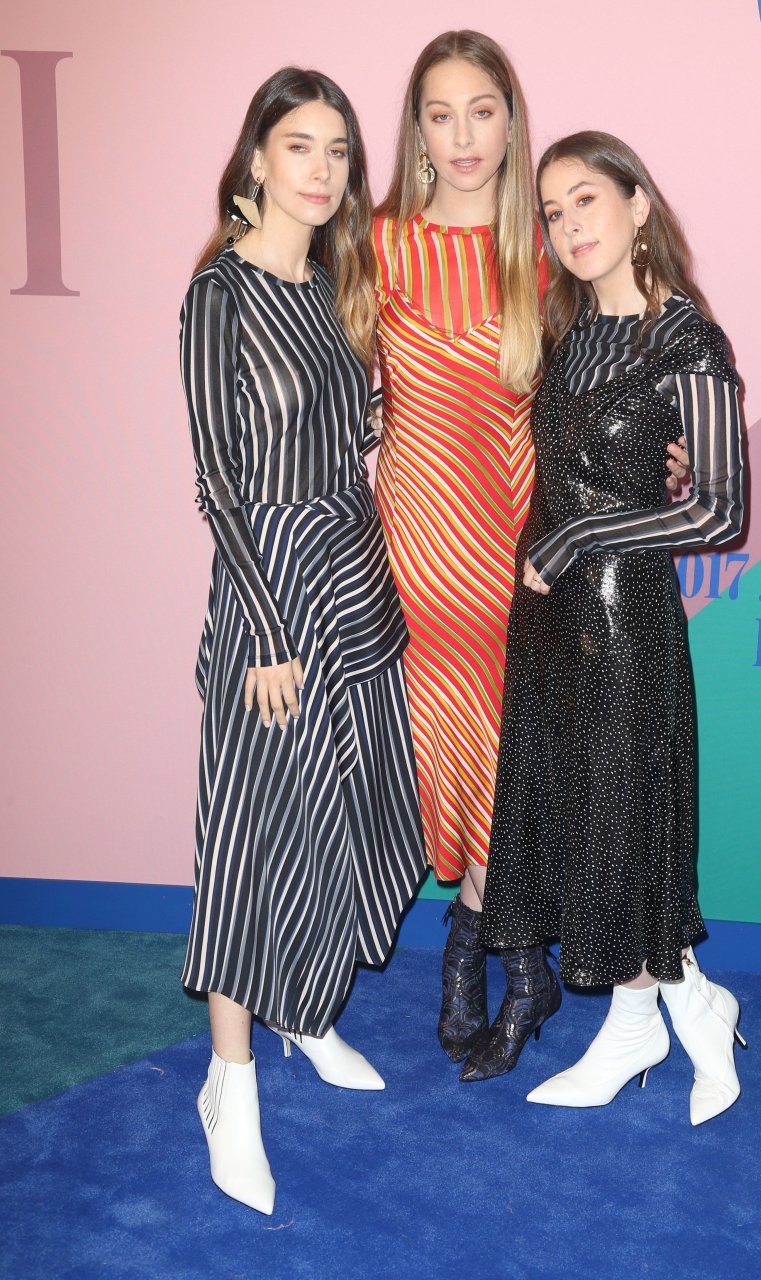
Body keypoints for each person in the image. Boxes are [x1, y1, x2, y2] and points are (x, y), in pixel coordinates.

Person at [372, 33, 690, 1069]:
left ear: (512, 122)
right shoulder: (375, 246)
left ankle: (496, 962)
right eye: (440, 114)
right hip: (418, 550)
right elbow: (329, 386)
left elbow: (619, 383)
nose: (463, 135)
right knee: (453, 756)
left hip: (527, 550)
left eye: (482, 110)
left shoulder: (550, 259)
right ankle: (512, 960)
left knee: (521, 759)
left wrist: (670, 452)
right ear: (417, 132)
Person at [179, 67, 426, 1214]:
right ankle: (228, 1081)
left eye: (337, 151)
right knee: (250, 829)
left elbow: (363, 434)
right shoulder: (218, 292)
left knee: (343, 804)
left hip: (352, 572)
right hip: (268, 591)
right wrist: (268, 633)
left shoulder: (334, 289)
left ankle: (305, 1007)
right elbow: (220, 482)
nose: (321, 170)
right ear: (256, 160)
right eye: (299, 146)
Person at [473, 131, 748, 1124]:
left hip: (626, 624)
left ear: (638, 204)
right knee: (578, 823)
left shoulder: (686, 340)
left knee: (619, 826)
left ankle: (652, 1017)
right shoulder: (566, 332)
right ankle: (671, 1007)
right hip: (549, 623)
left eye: (584, 199)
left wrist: (587, 532)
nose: (567, 225)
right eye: (551, 212)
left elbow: (718, 508)